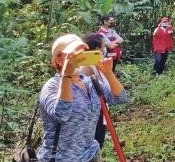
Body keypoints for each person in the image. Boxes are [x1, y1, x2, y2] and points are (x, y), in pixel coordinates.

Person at [37, 34, 128, 162]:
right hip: (62, 158)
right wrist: (66, 76)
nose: (79, 57)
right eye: (73, 55)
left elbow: (120, 98)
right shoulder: (52, 86)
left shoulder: (89, 82)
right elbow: (62, 115)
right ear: (58, 60)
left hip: (90, 154)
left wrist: (108, 73)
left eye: (82, 52)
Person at [80, 33, 110, 151]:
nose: (105, 49)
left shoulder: (97, 64)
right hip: (93, 112)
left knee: (99, 141)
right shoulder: (86, 67)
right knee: (95, 142)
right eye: (103, 46)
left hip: (100, 109)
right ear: (97, 49)